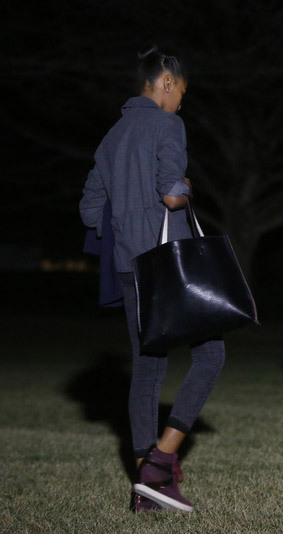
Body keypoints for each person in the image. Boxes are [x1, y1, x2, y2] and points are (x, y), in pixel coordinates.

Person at [79, 45, 225, 513]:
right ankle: (161, 462)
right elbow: (171, 194)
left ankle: (148, 490)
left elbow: (88, 210)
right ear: (165, 83)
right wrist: (183, 191)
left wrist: (124, 222)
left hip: (128, 265)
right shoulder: (167, 124)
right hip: (166, 265)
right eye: (181, 91)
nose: (181, 101)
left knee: (147, 369)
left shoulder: (112, 136)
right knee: (211, 355)